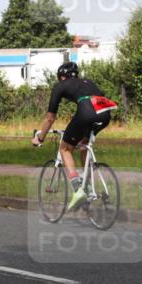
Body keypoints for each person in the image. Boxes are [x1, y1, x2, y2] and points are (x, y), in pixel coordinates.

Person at [31, 61, 117, 210]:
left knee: (65, 149)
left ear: (62, 77)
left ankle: (78, 190)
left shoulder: (60, 86)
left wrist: (40, 138)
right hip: (105, 112)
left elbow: (50, 118)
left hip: (87, 110)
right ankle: (88, 186)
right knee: (84, 144)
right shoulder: (87, 82)